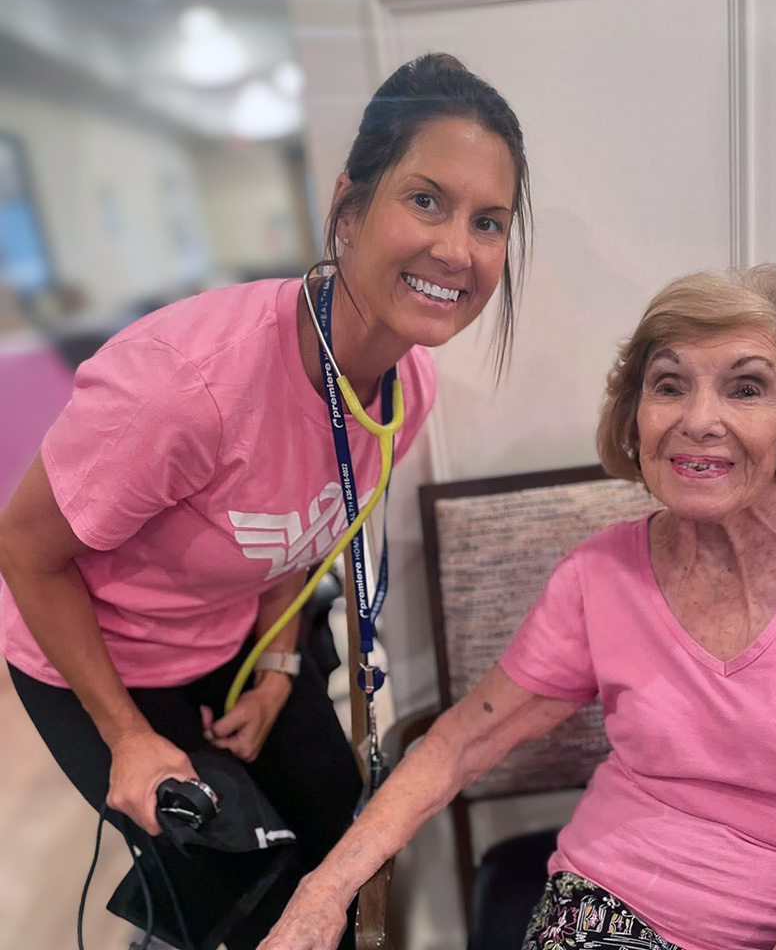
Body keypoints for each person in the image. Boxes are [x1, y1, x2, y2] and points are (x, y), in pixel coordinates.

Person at [257, 265, 776, 950]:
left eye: (746, 389)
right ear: (635, 418)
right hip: (619, 899)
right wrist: (321, 894)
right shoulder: (599, 576)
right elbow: (457, 744)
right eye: (669, 386)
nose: (698, 420)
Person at [0, 52, 531, 950]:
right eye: (426, 200)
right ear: (350, 204)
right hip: (101, 656)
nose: (457, 249)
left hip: (234, 638)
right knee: (240, 897)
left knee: (337, 853)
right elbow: (23, 548)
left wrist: (282, 658)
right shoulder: (186, 387)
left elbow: (303, 530)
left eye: (489, 222)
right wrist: (126, 737)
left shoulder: (407, 391)